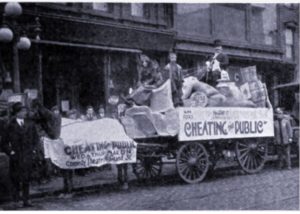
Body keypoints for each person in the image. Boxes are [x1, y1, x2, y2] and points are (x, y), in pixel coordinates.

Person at [2, 102, 39, 207]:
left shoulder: (30, 124)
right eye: (22, 111)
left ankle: (26, 200)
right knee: (16, 179)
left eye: (25, 111)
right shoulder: (10, 125)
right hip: (16, 156)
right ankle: (16, 201)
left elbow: (36, 139)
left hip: (27, 155)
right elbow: (4, 142)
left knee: (27, 178)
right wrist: (10, 152)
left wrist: (34, 150)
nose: (25, 113)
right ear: (16, 113)